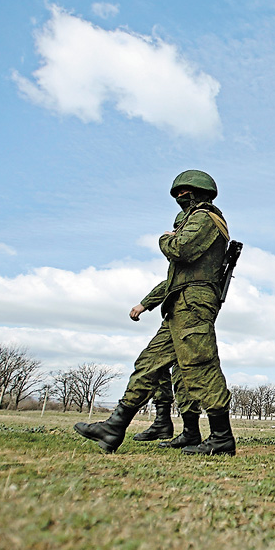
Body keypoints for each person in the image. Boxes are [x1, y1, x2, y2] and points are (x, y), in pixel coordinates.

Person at [74, 170, 235, 456]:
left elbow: (180, 249)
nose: (178, 198)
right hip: (179, 303)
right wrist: (146, 303)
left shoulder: (205, 218)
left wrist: (165, 239)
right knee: (148, 364)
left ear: (197, 193)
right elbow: (175, 279)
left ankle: (221, 438)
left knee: (200, 366)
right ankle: (115, 426)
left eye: (183, 193)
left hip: (193, 305)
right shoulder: (196, 220)